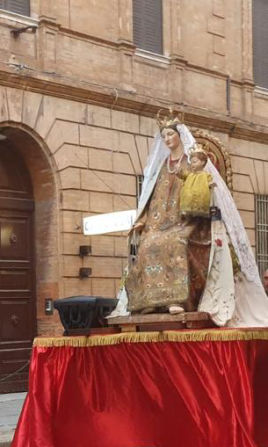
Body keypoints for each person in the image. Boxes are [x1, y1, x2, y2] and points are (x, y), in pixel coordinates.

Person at [114, 113, 268, 327]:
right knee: (148, 244)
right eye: (164, 136)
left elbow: (205, 194)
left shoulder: (192, 162)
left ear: (180, 136)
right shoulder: (161, 168)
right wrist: (143, 220)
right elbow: (152, 198)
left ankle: (177, 301)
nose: (167, 139)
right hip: (161, 224)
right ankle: (150, 302)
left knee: (176, 243)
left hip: (193, 223)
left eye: (170, 134)